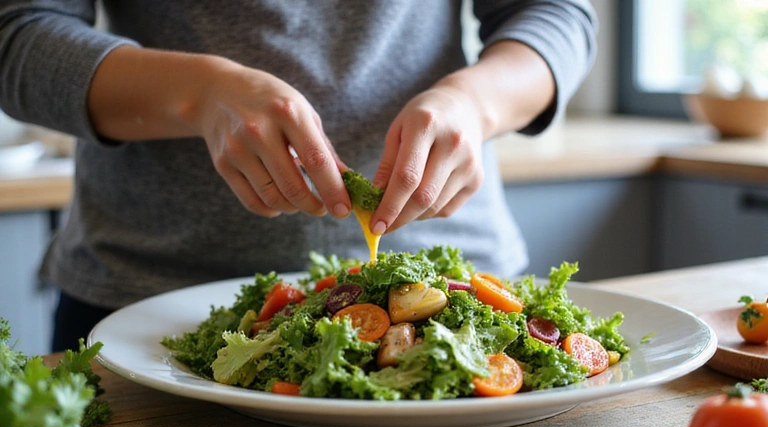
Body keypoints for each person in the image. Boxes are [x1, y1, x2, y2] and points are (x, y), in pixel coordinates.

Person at [0, 1, 597, 352]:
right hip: (144, 300)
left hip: (466, 286)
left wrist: (477, 104)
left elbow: (557, 14)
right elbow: (18, 32)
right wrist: (199, 95)